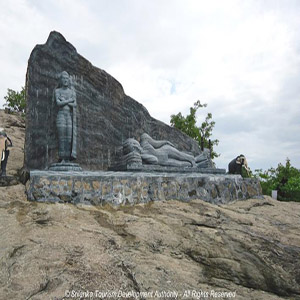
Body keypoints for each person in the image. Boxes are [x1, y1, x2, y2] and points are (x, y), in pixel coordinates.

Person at [54, 71, 77, 162]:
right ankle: (62, 158)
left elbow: (74, 104)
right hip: (61, 115)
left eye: (67, 78)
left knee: (69, 138)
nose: (65, 80)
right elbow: (58, 103)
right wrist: (69, 101)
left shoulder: (72, 92)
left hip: (69, 116)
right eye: (63, 78)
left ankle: (68, 158)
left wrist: (65, 100)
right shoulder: (57, 91)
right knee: (61, 138)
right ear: (61, 80)